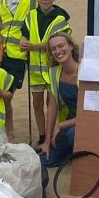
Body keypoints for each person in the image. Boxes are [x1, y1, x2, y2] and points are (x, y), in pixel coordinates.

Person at [0, 0, 89, 146]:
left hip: (28, 56)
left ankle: (49, 135)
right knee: (6, 94)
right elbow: (0, 16)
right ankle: (10, 133)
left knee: (49, 99)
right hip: (8, 53)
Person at [19, 0, 72, 146]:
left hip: (53, 69)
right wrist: (23, 41)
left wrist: (33, 46)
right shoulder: (31, 15)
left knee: (52, 105)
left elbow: (55, 43)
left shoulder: (60, 18)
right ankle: (42, 136)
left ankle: (51, 136)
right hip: (35, 70)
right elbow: (24, 33)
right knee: (37, 104)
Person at [39, 32, 79, 167]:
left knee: (73, 135)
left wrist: (61, 125)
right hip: (65, 127)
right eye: (53, 49)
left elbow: (90, 114)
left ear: (71, 46)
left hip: (82, 126)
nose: (58, 51)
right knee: (44, 161)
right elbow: (52, 106)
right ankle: (69, 153)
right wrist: (47, 140)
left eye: (61, 46)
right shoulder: (54, 72)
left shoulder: (85, 71)